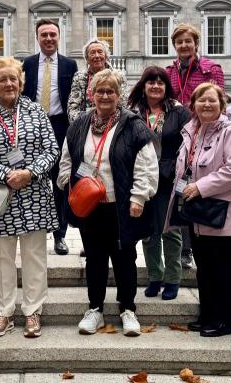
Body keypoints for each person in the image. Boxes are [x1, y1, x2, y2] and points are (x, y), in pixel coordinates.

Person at [58, 69, 158, 337]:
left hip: (121, 205)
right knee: (95, 259)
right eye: (100, 91)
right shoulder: (80, 123)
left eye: (110, 91)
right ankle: (95, 309)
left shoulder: (133, 124)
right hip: (90, 206)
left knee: (125, 258)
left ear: (118, 94)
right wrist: (68, 184)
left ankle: (128, 309)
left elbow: (147, 164)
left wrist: (139, 196)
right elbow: (67, 158)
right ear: (91, 94)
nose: (104, 96)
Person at [0, 57, 60, 338]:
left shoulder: (35, 110)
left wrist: (29, 173)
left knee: (35, 256)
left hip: (34, 194)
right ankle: (4, 312)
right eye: (2, 80)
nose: (8, 84)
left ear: (20, 83)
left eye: (13, 79)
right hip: (0, 197)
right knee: (1, 258)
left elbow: (52, 150)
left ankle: (33, 311)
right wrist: (5, 174)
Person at [167, 83, 231, 336]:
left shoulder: (229, 132)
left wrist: (200, 187)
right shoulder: (191, 130)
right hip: (198, 211)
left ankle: (226, 320)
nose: (207, 104)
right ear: (193, 105)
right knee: (205, 267)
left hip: (221, 210)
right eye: (201, 100)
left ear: (222, 105)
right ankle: (208, 315)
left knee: (222, 268)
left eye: (212, 100)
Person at [126, 66, 190, 301]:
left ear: (166, 87)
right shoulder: (133, 112)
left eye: (160, 82)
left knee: (170, 231)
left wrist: (175, 170)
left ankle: (172, 279)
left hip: (168, 179)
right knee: (148, 232)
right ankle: (155, 276)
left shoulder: (178, 111)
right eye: (151, 82)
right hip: (142, 178)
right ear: (143, 86)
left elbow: (188, 145)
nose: (155, 86)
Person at [165, 23, 225, 269]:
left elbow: (220, 102)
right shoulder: (169, 71)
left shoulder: (211, 69)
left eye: (188, 41)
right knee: (180, 190)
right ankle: (184, 247)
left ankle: (197, 243)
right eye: (179, 42)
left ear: (196, 43)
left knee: (198, 187)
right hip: (179, 135)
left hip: (204, 134)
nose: (184, 45)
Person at [21, 19, 78, 255]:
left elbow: (73, 97)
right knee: (32, 177)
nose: (48, 39)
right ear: (37, 38)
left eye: (52, 34)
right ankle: (34, 231)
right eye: (44, 35)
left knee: (59, 181)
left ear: (59, 37)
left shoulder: (69, 64)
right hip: (33, 126)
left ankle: (60, 235)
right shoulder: (28, 64)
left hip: (60, 125)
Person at [67, 37, 129, 123]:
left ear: (106, 56)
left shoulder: (118, 76)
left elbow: (124, 105)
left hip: (113, 124)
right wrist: (87, 123)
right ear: (87, 59)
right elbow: (73, 108)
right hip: (86, 124)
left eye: (100, 52)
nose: (97, 56)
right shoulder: (79, 77)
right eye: (92, 53)